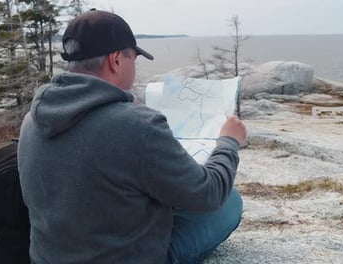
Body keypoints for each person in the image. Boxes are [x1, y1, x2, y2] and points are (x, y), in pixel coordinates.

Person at [17, 9, 247, 264]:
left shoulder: (32, 120)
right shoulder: (138, 126)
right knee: (229, 203)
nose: (134, 67)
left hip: (49, 257)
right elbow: (210, 193)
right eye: (133, 58)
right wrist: (228, 141)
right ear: (116, 60)